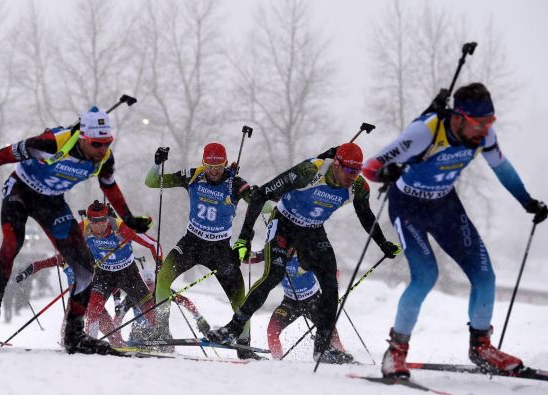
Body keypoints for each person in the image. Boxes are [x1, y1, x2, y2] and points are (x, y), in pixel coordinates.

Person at [362, 82, 548, 378]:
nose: (484, 130)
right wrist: (388, 172)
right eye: (479, 123)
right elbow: (370, 167)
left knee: (484, 274)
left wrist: (527, 202)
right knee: (425, 276)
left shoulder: (484, 135)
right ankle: (395, 352)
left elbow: (502, 169)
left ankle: (481, 347)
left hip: (444, 205)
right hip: (408, 206)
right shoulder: (426, 131)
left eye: (490, 122)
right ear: (459, 117)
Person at [0, 107, 152, 355]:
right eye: (97, 144)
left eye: (107, 143)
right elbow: (0, 156)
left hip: (51, 202)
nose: (103, 150)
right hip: (20, 192)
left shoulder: (104, 158)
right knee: (11, 243)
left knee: (84, 268)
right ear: (83, 137)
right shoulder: (50, 143)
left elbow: (109, 186)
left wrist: (127, 217)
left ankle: (74, 336)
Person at [207, 142, 401, 363]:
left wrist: (383, 243)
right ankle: (232, 329)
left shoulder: (358, 187)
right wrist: (244, 237)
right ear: (336, 164)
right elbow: (261, 195)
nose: (352, 176)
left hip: (313, 230)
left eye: (356, 172)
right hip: (284, 224)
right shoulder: (309, 172)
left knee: (330, 283)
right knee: (274, 275)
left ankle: (323, 349)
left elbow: (366, 216)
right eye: (348, 170)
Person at [145, 143, 258, 359]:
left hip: (220, 250)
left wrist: (264, 198)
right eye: (209, 165)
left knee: (240, 299)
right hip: (191, 243)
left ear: (226, 163)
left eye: (219, 166)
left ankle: (244, 346)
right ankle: (160, 332)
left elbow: (260, 203)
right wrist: (157, 164)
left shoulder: (235, 183)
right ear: (203, 163)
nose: (214, 171)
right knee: (163, 279)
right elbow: (152, 182)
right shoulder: (192, 176)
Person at [17, 200, 161, 347]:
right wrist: (27, 272)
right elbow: (48, 260)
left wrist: (159, 267)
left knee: (136, 313)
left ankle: (148, 340)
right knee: (80, 314)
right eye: (95, 222)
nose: (100, 226)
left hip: (111, 280)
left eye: (103, 221)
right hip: (90, 285)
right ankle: (76, 341)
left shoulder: (112, 235)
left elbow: (151, 245)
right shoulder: (74, 245)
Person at [247, 249, 350, 361]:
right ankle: (277, 362)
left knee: (330, 331)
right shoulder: (275, 250)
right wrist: (244, 250)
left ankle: (342, 355)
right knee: (272, 331)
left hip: (313, 301)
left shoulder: (306, 253)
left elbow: (333, 272)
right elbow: (251, 258)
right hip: (290, 302)